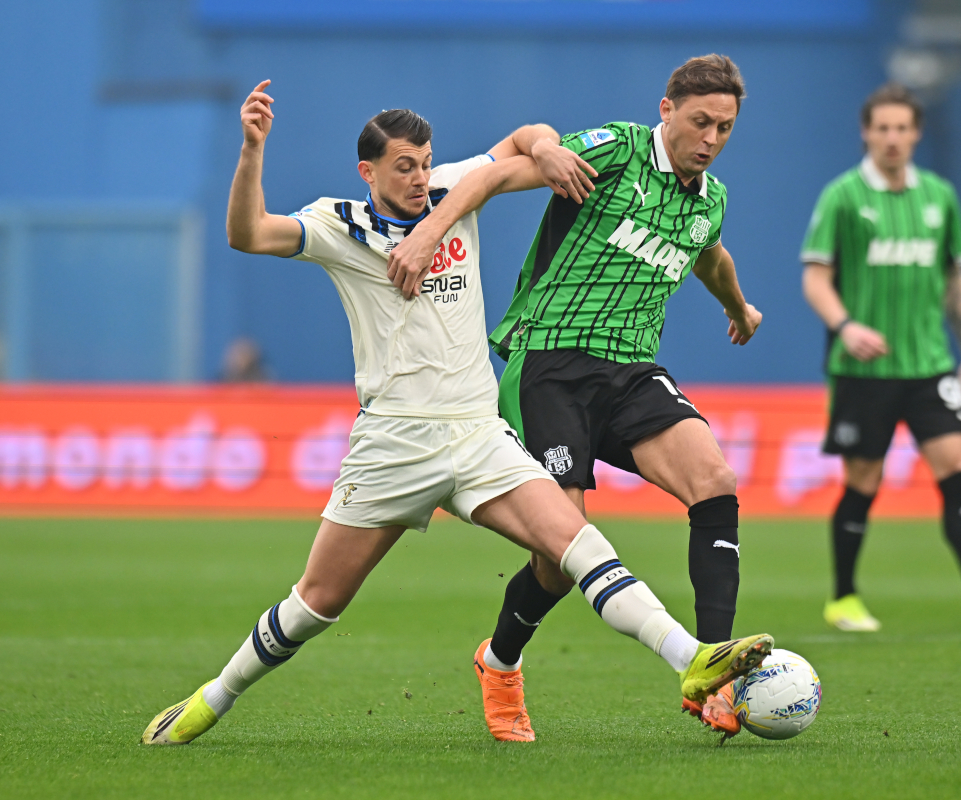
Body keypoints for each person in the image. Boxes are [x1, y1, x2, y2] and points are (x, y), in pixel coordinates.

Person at [141, 80, 773, 746]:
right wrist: (251, 149)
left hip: (477, 436)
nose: (419, 179)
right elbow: (248, 233)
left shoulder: (452, 192)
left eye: (424, 163)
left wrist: (549, 149)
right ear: (369, 172)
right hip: (394, 445)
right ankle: (214, 697)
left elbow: (525, 141)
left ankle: (692, 661)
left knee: (579, 546)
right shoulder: (339, 225)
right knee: (315, 604)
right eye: (403, 168)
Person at [388, 54, 763, 740]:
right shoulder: (617, 149)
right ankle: (500, 660)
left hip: (630, 371)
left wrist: (738, 307)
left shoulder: (710, 197)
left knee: (715, 481)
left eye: (725, 128)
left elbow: (709, 252)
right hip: (550, 364)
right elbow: (497, 175)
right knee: (562, 556)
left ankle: (717, 676)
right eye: (701, 121)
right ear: (667, 111)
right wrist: (426, 232)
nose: (710, 138)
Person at [800, 83, 961, 633]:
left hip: (930, 365)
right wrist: (845, 325)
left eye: (902, 128)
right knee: (863, 479)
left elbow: (954, 279)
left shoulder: (939, 196)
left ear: (916, 133)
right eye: (882, 128)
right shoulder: (842, 196)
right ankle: (844, 598)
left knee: (956, 468)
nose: (892, 138)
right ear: (866, 132)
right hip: (863, 370)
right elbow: (815, 277)